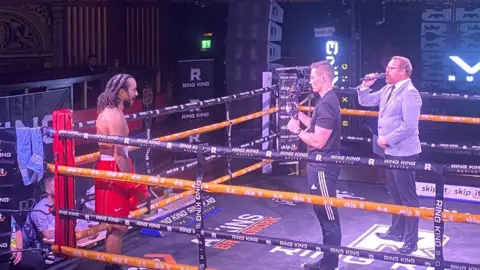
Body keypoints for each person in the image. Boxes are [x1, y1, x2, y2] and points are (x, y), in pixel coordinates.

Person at [357, 56, 422, 254]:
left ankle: (411, 240)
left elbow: (409, 126)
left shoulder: (410, 94)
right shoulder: (387, 89)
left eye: (391, 68)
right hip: (391, 151)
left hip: (404, 151)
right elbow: (365, 101)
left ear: (403, 71)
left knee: (407, 197)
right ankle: (396, 231)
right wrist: (365, 86)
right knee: (395, 194)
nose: (387, 72)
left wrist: (388, 138)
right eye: (387, 68)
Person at [287, 60, 342, 270]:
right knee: (323, 215)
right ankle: (328, 262)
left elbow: (319, 141)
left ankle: (330, 265)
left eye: (312, 77)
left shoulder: (327, 103)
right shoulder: (326, 100)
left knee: (328, 217)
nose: (309, 82)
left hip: (323, 167)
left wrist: (296, 131)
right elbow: (317, 126)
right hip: (319, 166)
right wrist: (298, 114)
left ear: (323, 78)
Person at [95, 73, 149, 270]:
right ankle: (112, 268)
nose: (136, 93)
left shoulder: (113, 113)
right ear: (121, 92)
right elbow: (119, 155)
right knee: (117, 226)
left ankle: (113, 266)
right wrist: (133, 182)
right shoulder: (114, 116)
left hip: (114, 167)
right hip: (113, 169)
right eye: (133, 89)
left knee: (120, 225)